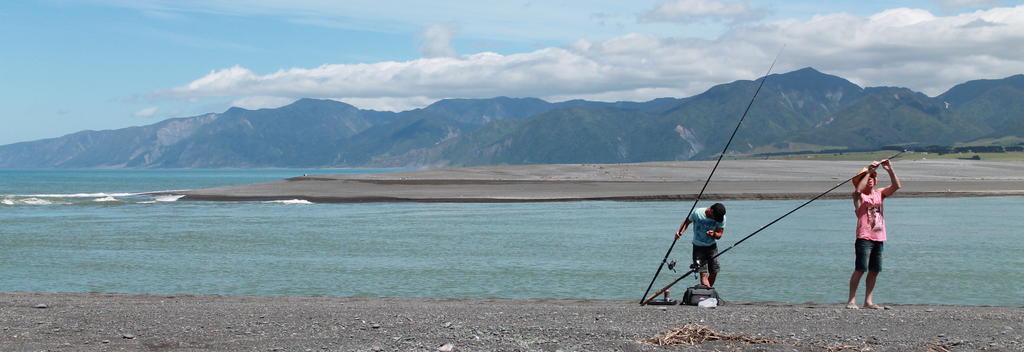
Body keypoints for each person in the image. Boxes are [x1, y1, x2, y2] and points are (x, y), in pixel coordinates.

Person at [846, 159, 901, 309]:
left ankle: (868, 301)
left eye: (872, 177)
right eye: (867, 178)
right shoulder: (858, 196)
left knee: (875, 270)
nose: (870, 179)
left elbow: (897, 186)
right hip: (864, 237)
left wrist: (889, 169)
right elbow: (858, 191)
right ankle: (851, 300)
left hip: (879, 237)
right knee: (860, 268)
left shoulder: (879, 193)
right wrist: (868, 171)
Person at [674, 203, 726, 287]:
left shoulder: (721, 218)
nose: (715, 219)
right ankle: (708, 294)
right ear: (711, 210)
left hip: (712, 248)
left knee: (714, 272)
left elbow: (719, 234)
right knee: (703, 274)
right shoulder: (697, 213)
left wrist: (714, 234)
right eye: (714, 217)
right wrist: (680, 232)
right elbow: (687, 222)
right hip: (698, 248)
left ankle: (707, 294)